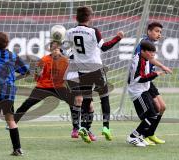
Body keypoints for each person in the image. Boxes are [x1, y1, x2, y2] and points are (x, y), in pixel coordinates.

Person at [64, 6, 124, 143]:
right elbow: (104, 47)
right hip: (96, 69)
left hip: (82, 70)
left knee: (86, 100)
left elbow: (66, 49)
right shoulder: (93, 31)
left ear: (76, 17)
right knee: (104, 97)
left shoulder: (70, 32)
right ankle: (106, 127)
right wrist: (118, 37)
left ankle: (83, 128)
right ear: (90, 18)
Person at [13, 41, 72, 124]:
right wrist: (38, 74)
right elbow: (36, 77)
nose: (55, 50)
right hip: (43, 87)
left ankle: (76, 127)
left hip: (59, 87)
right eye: (53, 48)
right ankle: (13, 122)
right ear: (50, 49)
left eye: (57, 48)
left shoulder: (65, 61)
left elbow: (68, 76)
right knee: (27, 103)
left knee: (73, 102)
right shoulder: (44, 60)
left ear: (60, 50)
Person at [135, 22, 172, 144]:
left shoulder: (150, 44)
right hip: (143, 82)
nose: (159, 34)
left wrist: (161, 68)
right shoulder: (143, 44)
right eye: (156, 31)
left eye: (160, 32)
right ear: (148, 31)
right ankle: (143, 135)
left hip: (149, 81)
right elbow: (148, 59)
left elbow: (151, 59)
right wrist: (162, 67)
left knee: (162, 107)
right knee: (155, 108)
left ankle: (150, 134)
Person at [126, 41, 165, 147]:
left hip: (144, 90)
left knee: (155, 112)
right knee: (151, 115)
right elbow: (140, 79)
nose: (152, 55)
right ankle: (133, 136)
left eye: (153, 52)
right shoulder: (139, 61)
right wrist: (155, 74)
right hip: (138, 92)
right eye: (150, 52)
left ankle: (141, 136)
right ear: (142, 51)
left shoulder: (144, 58)